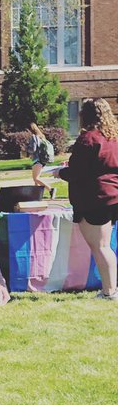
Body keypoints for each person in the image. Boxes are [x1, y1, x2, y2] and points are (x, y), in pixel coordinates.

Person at [57, 99, 118, 301]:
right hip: (112, 196)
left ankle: (110, 291)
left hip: (94, 198)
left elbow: (77, 172)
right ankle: (110, 289)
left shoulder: (87, 138)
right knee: (104, 245)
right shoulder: (113, 138)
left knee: (100, 247)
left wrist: (60, 172)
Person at [27, 122, 56, 194]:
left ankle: (51, 189)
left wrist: (26, 149)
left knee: (36, 178)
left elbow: (33, 149)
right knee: (35, 179)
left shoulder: (34, 137)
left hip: (37, 159)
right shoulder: (41, 136)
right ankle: (36, 195)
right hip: (42, 160)